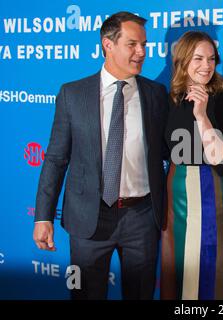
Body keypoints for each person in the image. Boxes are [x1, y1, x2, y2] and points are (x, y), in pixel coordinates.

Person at [32, 12, 168, 300]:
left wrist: (217, 167)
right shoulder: (72, 94)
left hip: (141, 218)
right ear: (108, 44)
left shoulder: (156, 94)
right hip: (87, 221)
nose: (142, 52)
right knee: (83, 295)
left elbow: (169, 149)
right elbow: (56, 159)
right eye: (132, 44)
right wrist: (43, 217)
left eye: (144, 44)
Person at [160, 31, 223, 300]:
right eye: (198, 58)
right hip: (174, 193)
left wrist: (202, 115)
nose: (206, 65)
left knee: (208, 263)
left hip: (209, 191)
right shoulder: (166, 100)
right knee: (176, 265)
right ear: (183, 60)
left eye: (211, 59)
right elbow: (159, 151)